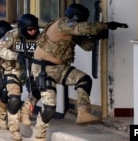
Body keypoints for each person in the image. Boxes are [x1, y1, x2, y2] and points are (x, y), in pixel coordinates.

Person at [30, 3, 128, 140]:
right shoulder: (62, 24)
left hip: (60, 68)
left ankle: (83, 112)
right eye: (82, 20)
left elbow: (87, 46)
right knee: (49, 108)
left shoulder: (71, 30)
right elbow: (85, 28)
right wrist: (106, 25)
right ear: (76, 17)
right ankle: (38, 136)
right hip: (43, 69)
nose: (84, 23)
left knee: (84, 80)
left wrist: (98, 35)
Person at [0, 13, 40, 141]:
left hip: (31, 70)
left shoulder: (39, 37)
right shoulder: (13, 35)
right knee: (14, 99)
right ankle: (14, 130)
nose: (33, 32)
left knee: (37, 91)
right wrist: (16, 56)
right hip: (13, 70)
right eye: (30, 29)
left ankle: (26, 113)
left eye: (35, 29)